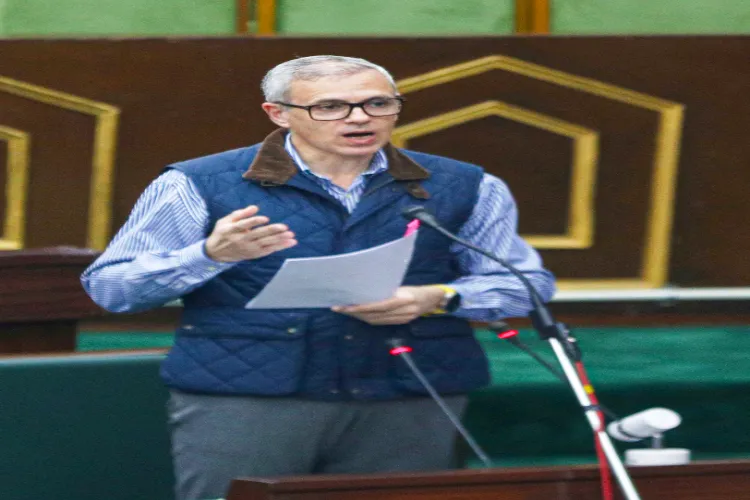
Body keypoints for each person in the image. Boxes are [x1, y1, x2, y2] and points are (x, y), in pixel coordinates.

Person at [81, 55, 556, 500]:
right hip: (251, 396)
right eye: (330, 106)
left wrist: (439, 296)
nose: (360, 118)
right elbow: (112, 288)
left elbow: (527, 284)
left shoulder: (464, 184)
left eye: (378, 103)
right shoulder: (198, 182)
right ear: (278, 113)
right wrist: (209, 255)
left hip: (408, 393)